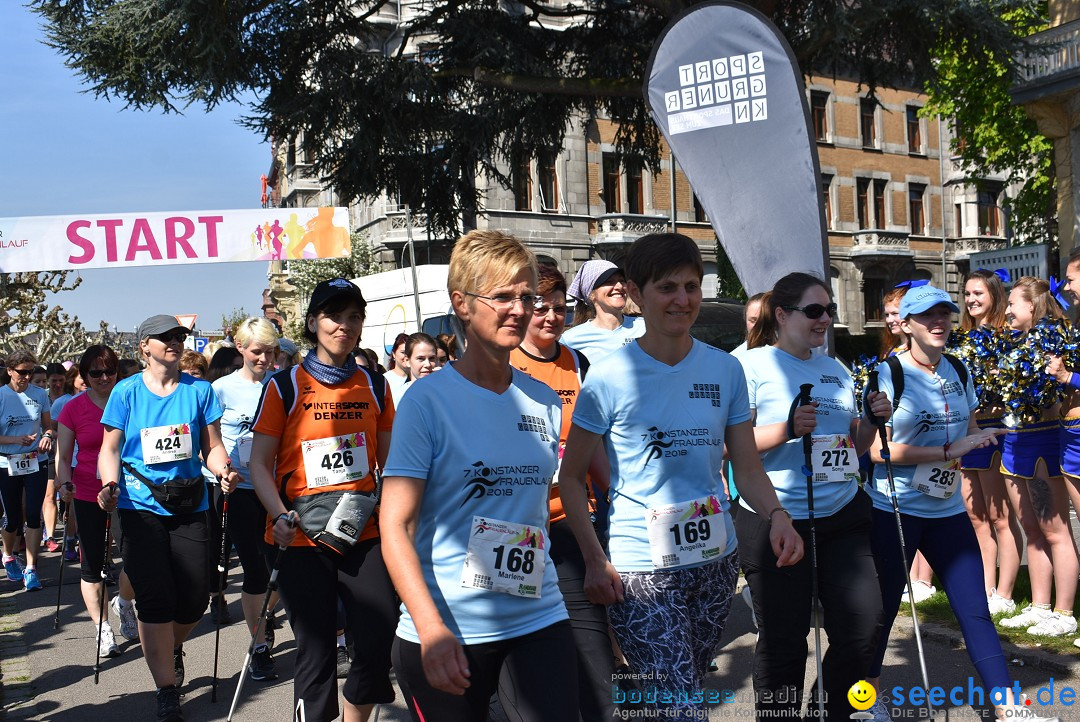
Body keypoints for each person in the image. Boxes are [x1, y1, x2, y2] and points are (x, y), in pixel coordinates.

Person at [559, 233, 803, 720]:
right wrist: (594, 559)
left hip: (715, 563)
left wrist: (778, 515)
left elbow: (746, 465)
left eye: (691, 286)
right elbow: (571, 478)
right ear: (635, 293)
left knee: (674, 691)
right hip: (639, 565)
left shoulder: (724, 370)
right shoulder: (608, 375)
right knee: (682, 706)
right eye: (668, 288)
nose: (683, 300)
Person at [381, 230, 580, 722]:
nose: (519, 309)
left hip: (539, 613)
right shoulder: (427, 402)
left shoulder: (545, 400)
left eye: (526, 297)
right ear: (462, 304)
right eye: (503, 297)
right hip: (450, 627)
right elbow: (395, 525)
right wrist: (431, 629)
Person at [864, 284, 1047, 721]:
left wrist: (973, 444)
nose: (940, 322)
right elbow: (876, 452)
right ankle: (866, 704)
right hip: (895, 509)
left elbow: (963, 436)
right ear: (905, 325)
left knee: (975, 611)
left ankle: (1007, 708)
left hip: (945, 510)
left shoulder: (959, 371)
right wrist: (946, 452)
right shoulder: (888, 374)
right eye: (928, 316)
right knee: (882, 613)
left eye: (945, 313)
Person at [739, 272, 889, 720]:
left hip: (842, 512)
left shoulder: (835, 368)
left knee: (863, 627)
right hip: (777, 517)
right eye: (814, 311)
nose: (825, 319)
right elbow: (730, 448)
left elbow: (851, 446)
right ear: (782, 315)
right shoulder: (750, 366)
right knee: (785, 642)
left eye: (830, 311)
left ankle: (827, 713)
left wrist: (870, 420)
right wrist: (786, 429)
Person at [251, 278, 397, 722]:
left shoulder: (375, 385)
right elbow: (259, 464)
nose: (345, 326)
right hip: (301, 537)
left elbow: (390, 466)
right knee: (315, 652)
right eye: (335, 316)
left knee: (377, 637)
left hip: (362, 532)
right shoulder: (284, 386)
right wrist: (278, 515)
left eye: (354, 317)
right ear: (313, 322)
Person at [97, 314, 238, 722]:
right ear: (144, 346)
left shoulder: (199, 390)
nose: (174, 342)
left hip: (188, 504)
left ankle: (173, 645)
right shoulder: (125, 393)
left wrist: (224, 468)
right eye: (164, 338)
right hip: (139, 507)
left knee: (194, 598)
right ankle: (166, 688)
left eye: (179, 336)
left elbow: (212, 445)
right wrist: (109, 484)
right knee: (155, 598)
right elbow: (110, 450)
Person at [508, 262, 616, 720]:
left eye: (561, 308)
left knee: (594, 656)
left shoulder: (578, 363)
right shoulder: (503, 361)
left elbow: (592, 446)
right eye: (541, 308)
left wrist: (619, 494)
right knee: (521, 666)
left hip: (570, 523)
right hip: (512, 531)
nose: (552, 317)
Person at [995, 277, 1078, 636]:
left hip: (1042, 440)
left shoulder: (1054, 342)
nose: (1008, 309)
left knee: (1055, 530)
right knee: (1033, 528)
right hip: (1016, 442)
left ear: (1032, 306)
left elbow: (1056, 393)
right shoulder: (1017, 343)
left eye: (1013, 303)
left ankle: (1065, 612)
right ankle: (1040, 605)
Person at [56, 345, 139, 659]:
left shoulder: (132, 401)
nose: (104, 378)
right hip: (88, 493)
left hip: (131, 493)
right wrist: (65, 482)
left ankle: (125, 603)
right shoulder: (73, 408)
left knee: (135, 560)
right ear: (83, 375)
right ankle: (103, 628)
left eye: (110, 371)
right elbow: (63, 457)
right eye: (96, 373)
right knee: (92, 566)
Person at [211, 317, 280, 680]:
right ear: (240, 348)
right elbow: (209, 440)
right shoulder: (220, 389)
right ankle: (259, 646)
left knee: (279, 575)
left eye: (270, 352)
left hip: (280, 490)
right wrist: (222, 470)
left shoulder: (283, 384)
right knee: (255, 571)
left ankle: (264, 618)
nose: (265, 359)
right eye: (257, 351)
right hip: (240, 491)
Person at [956, 269, 1022, 615]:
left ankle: (1006, 593)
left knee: (1000, 517)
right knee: (975, 516)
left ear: (994, 295)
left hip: (995, 432)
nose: (971, 300)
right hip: (969, 434)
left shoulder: (1005, 338)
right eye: (967, 294)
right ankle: (985, 587)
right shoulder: (962, 339)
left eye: (978, 293)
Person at [0, 350, 55, 592]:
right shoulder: (1, 396)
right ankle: (8, 555)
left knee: (33, 515)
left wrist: (47, 437)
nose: (26, 376)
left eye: (30, 372)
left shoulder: (39, 395)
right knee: (13, 519)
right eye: (22, 372)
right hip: (7, 463)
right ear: (10, 371)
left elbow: (49, 426)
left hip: (35, 461)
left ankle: (31, 568)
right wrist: (15, 440)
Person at [561, 259, 646, 361]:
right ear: (591, 295)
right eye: (609, 281)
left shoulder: (645, 327)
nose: (619, 286)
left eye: (622, 280)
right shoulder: (572, 339)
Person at [51, 365, 88, 561]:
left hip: (93, 462)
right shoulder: (62, 403)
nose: (84, 381)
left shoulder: (98, 400)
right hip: (71, 461)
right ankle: (70, 538)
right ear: (72, 379)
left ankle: (85, 543)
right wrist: (59, 471)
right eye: (80, 377)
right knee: (74, 506)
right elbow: (55, 434)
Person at [729, 291, 765, 358]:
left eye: (764, 320)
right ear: (745, 319)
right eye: (753, 320)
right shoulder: (736, 359)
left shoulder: (786, 353)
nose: (758, 325)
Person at [383, 332, 410, 403]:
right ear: (394, 354)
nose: (407, 356)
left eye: (410, 352)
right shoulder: (384, 380)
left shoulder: (418, 378)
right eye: (403, 352)